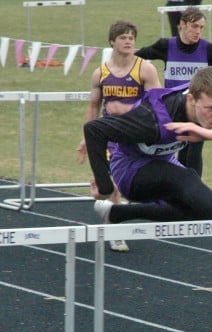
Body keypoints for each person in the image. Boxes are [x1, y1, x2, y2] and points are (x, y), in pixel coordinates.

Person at [84, 66, 212, 245]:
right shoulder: (151, 120)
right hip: (130, 170)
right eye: (211, 109)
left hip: (165, 162)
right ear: (191, 100)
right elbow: (94, 130)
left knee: (193, 207)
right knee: (185, 178)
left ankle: (115, 214)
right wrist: (105, 186)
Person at [76, 20, 161, 252]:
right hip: (108, 136)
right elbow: (93, 106)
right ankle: (115, 232)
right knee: (111, 184)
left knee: (129, 186)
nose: (128, 41)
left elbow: (159, 103)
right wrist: (86, 137)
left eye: (132, 37)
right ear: (112, 41)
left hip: (136, 135)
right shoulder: (100, 73)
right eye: (123, 37)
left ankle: (111, 218)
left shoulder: (145, 69)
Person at [136, 7, 212, 177]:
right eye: (194, 26)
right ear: (182, 25)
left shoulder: (208, 49)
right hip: (171, 111)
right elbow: (137, 58)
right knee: (165, 153)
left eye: (201, 27)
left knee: (192, 153)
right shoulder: (165, 45)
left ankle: (192, 187)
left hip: (198, 111)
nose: (198, 31)